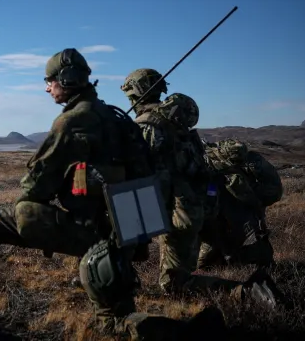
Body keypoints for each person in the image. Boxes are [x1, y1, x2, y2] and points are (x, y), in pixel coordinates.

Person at [0, 49, 224, 339]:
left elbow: (35, 188)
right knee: (113, 319)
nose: (47, 88)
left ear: (65, 81)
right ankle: (189, 332)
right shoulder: (118, 120)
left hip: (96, 234)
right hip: (127, 235)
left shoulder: (73, 121)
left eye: (48, 81)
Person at [120, 83, 281, 307]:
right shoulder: (181, 130)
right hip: (199, 208)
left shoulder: (147, 127)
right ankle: (237, 259)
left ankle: (247, 291)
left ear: (133, 95)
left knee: (174, 284)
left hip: (178, 213)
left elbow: (139, 172)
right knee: (203, 260)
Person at [197, 138, 283, 269]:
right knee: (207, 262)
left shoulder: (214, 170)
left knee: (253, 257)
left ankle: (236, 259)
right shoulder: (217, 174)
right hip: (232, 221)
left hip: (239, 221)